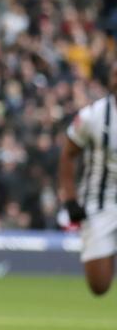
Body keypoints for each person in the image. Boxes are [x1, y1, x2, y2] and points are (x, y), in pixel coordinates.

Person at [59, 65, 117, 296]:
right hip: (100, 202)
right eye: (114, 74)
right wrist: (71, 199)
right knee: (99, 286)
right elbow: (68, 154)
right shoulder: (93, 115)